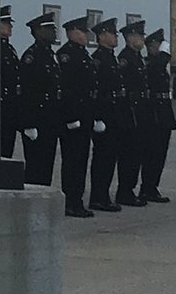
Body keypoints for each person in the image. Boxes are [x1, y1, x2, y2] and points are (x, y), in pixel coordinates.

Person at [56, 15, 103, 217]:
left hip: (85, 115)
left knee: (82, 159)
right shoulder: (65, 55)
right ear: (73, 32)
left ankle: (77, 200)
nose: (86, 36)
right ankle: (70, 201)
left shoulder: (84, 55)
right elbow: (67, 89)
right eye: (83, 32)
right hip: (73, 118)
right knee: (73, 160)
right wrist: (70, 117)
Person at [19, 12, 61, 186]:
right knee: (35, 166)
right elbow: (26, 92)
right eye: (49, 29)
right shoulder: (32, 56)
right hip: (37, 119)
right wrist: (28, 123)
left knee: (46, 165)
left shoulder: (51, 55)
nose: (54, 32)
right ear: (38, 31)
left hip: (50, 119)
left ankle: (43, 198)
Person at [88, 16, 125, 212]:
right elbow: (97, 90)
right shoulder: (98, 59)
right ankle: (97, 197)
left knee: (110, 157)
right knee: (102, 157)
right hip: (105, 114)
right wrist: (98, 117)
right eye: (112, 33)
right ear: (102, 36)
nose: (115, 37)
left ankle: (104, 195)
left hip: (114, 113)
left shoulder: (111, 57)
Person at [115, 19, 150, 207]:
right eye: (139, 35)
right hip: (130, 110)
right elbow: (123, 88)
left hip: (140, 110)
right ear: (130, 37)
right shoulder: (125, 58)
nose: (142, 39)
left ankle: (130, 189)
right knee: (128, 154)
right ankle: (125, 191)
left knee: (137, 153)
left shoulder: (138, 57)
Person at [140, 28, 176, 203]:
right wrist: (164, 54)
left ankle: (152, 187)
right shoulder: (150, 64)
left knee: (160, 153)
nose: (159, 48)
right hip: (152, 113)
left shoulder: (158, 64)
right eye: (157, 45)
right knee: (151, 153)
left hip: (163, 112)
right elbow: (157, 68)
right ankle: (146, 188)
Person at [0, 5, 20, 159]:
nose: (10, 26)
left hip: (10, 109)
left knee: (7, 152)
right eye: (6, 23)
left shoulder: (10, 50)